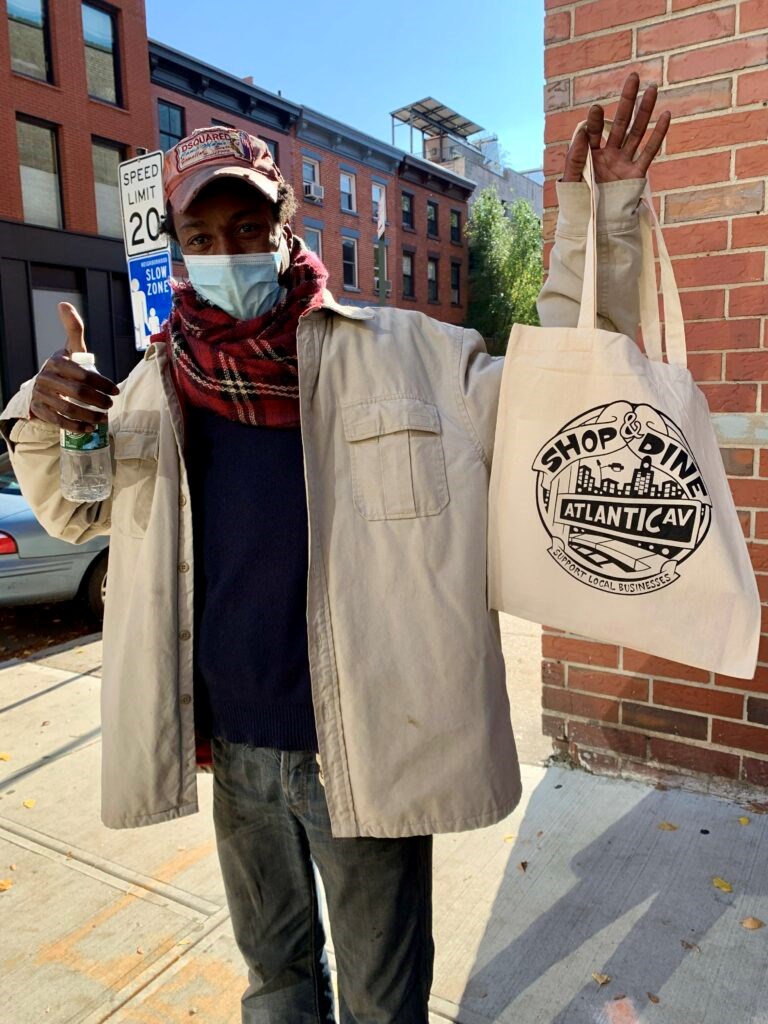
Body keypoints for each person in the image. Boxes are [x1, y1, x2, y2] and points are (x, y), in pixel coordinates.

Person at [1, 75, 670, 1024]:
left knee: (381, 1001)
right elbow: (74, 516)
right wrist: (45, 413)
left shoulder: (409, 354)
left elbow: (559, 395)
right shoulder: (152, 388)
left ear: (288, 222)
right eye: (202, 238)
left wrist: (597, 226)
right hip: (234, 753)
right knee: (274, 985)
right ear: (178, 251)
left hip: (363, 752)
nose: (227, 253)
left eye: (246, 229)